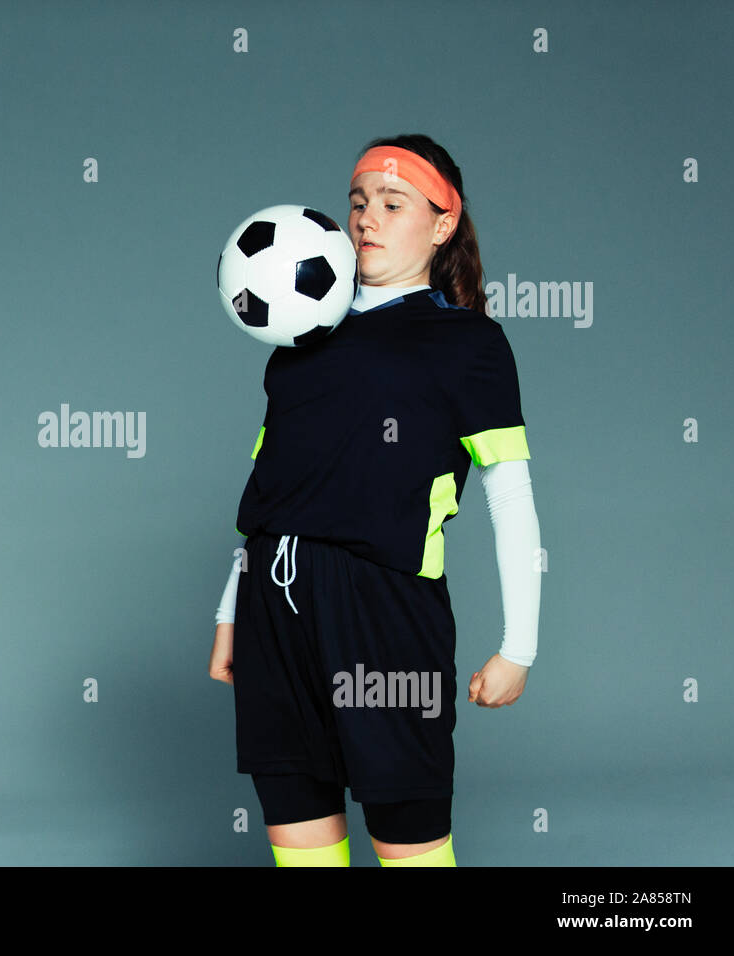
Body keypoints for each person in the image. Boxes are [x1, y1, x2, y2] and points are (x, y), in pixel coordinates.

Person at [209, 134, 541, 867]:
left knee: (408, 832)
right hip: (275, 607)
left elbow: (509, 494)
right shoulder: (296, 340)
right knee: (296, 821)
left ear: (443, 224)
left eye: (393, 204)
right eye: (358, 203)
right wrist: (232, 612)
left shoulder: (469, 343)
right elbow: (267, 491)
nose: (367, 218)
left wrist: (520, 644)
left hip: (383, 612)